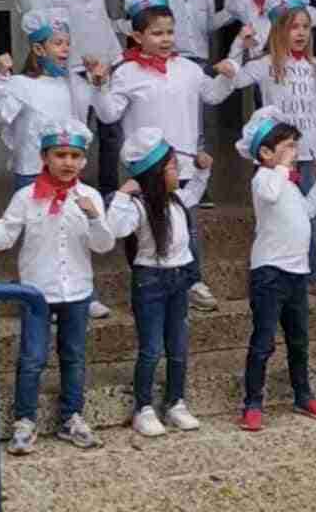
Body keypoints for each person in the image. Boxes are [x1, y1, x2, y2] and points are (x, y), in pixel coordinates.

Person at [0, 119, 115, 455]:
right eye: (60, 154)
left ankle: (71, 416)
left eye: (75, 155)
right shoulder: (25, 197)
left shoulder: (90, 196)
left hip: (77, 291)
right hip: (36, 293)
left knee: (74, 356)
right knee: (32, 358)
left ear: (84, 160)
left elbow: (104, 245)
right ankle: (24, 420)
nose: (68, 162)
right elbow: (4, 239)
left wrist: (94, 217)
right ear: (44, 157)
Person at [87, 0, 237, 312]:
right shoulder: (126, 72)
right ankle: (146, 281)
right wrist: (99, 85)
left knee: (186, 223)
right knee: (145, 227)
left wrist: (226, 76)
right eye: (157, 33)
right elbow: (109, 113)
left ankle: (192, 279)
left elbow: (212, 94)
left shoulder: (188, 69)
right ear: (138, 36)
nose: (166, 39)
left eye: (170, 32)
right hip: (145, 167)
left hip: (182, 165)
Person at [230, 0, 316, 298]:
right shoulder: (264, 64)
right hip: (280, 156)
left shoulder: (314, 66)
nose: (301, 33)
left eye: (306, 27)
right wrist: (238, 47)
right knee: (280, 210)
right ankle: (278, 266)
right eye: (293, 26)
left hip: (312, 149)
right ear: (277, 28)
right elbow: (234, 78)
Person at [16, 0, 132, 216]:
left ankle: (107, 189)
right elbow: (29, 13)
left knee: (111, 130)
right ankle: (73, 187)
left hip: (108, 69)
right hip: (77, 73)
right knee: (79, 129)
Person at [236, 106, 316, 432]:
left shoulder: (288, 182)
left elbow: (306, 212)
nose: (295, 152)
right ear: (265, 152)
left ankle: (303, 394)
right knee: (263, 340)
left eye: (295, 145)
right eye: (288, 146)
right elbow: (269, 193)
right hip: (270, 271)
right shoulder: (265, 178)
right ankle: (252, 402)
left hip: (297, 271)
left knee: (299, 338)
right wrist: (280, 169)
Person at [108, 127, 206, 436]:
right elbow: (116, 228)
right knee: (151, 348)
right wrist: (123, 194)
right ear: (153, 174)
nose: (178, 172)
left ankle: (176, 402)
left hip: (179, 278)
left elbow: (195, 194)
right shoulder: (137, 206)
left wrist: (204, 172)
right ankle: (144, 407)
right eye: (172, 167)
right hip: (150, 280)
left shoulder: (176, 201)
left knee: (178, 345)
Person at [157, 0, 233, 209]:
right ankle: (170, 177)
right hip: (172, 63)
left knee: (199, 126)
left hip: (198, 65)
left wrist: (233, 12)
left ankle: (199, 181)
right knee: (176, 122)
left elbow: (210, 24)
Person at [0, 9, 75, 192]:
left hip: (64, 169)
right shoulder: (21, 84)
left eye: (68, 43)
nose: (66, 48)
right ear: (39, 49)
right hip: (32, 171)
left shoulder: (65, 84)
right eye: (58, 43)